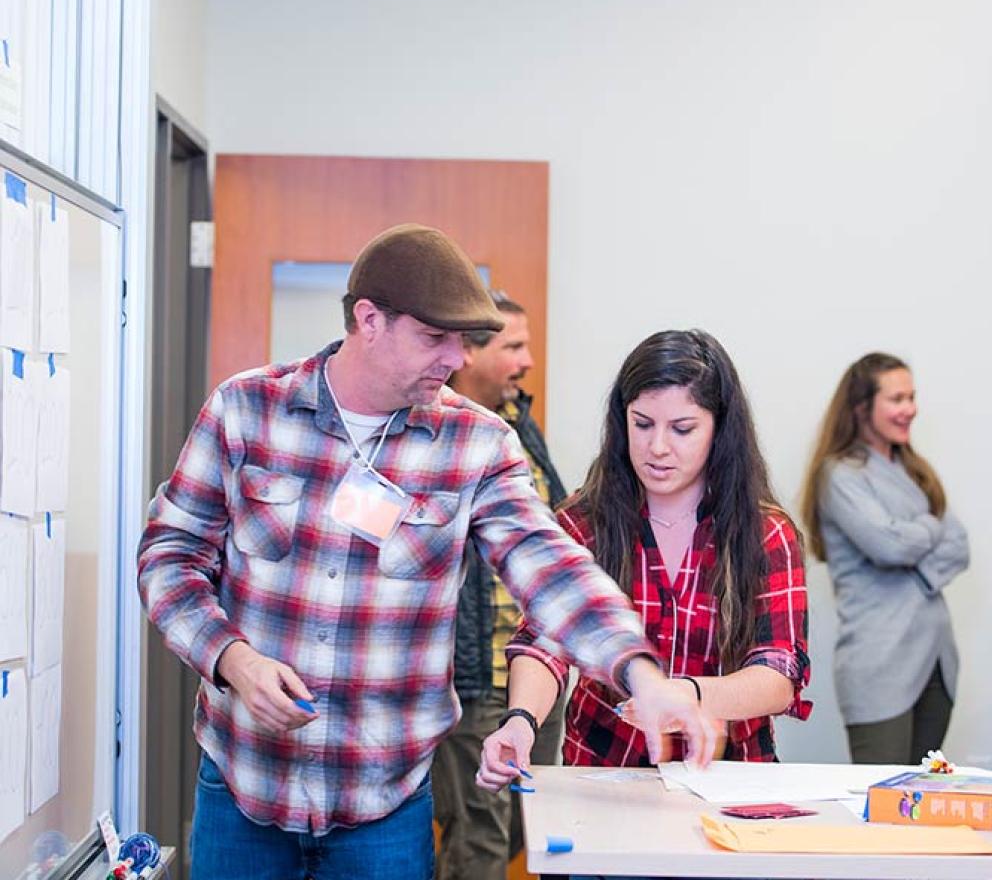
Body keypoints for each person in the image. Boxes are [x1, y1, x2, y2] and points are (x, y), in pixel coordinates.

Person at [137, 225, 718, 880]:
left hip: (385, 808)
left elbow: (549, 566)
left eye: (465, 339)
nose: (457, 358)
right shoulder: (246, 411)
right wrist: (231, 660)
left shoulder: (477, 444)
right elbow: (169, 556)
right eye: (435, 337)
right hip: (244, 790)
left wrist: (642, 675)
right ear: (369, 320)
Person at [476, 329, 810, 793]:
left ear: (720, 428)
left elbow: (777, 675)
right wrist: (521, 721)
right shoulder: (584, 521)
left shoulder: (764, 532)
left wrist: (685, 694)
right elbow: (543, 643)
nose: (657, 447)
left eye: (682, 429)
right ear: (622, 420)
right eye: (643, 423)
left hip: (728, 783)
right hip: (603, 774)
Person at [433, 289, 567, 880]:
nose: (528, 360)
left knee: (519, 829)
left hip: (533, 676)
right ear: (468, 353)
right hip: (473, 678)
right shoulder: (433, 434)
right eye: (514, 346)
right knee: (480, 840)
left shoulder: (518, 426)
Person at [800, 352, 969, 765]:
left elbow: (959, 545)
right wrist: (930, 526)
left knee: (923, 796)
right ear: (861, 407)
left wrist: (911, 543)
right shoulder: (840, 474)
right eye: (896, 399)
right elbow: (888, 546)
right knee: (884, 805)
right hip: (879, 665)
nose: (909, 409)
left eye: (911, 397)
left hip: (936, 664)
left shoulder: (915, 471)